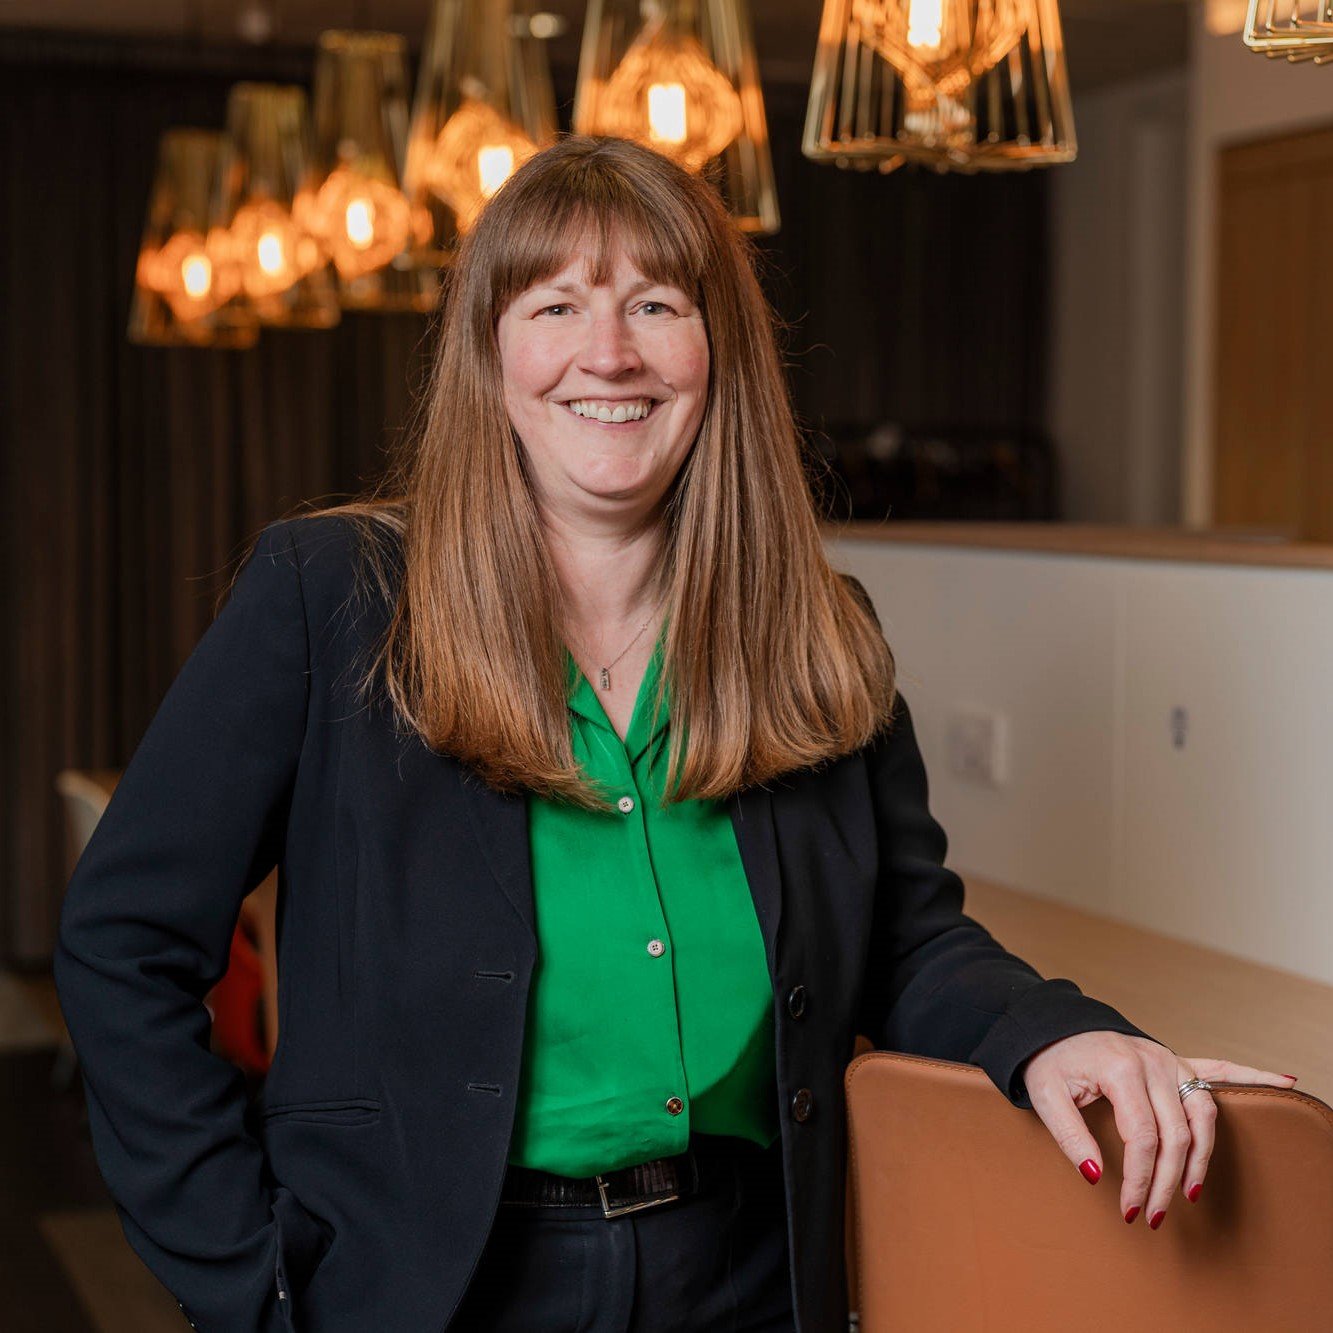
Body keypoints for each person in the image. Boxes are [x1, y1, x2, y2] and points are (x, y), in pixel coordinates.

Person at [54, 135, 1294, 1333]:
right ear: (489, 354)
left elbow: (904, 941)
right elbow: (123, 939)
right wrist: (250, 1281)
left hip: (748, 1271)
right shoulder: (335, 594)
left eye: (655, 305)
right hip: (427, 1281)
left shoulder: (814, 625)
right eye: (553, 307)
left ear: (719, 351)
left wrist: (1053, 1029)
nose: (608, 353)